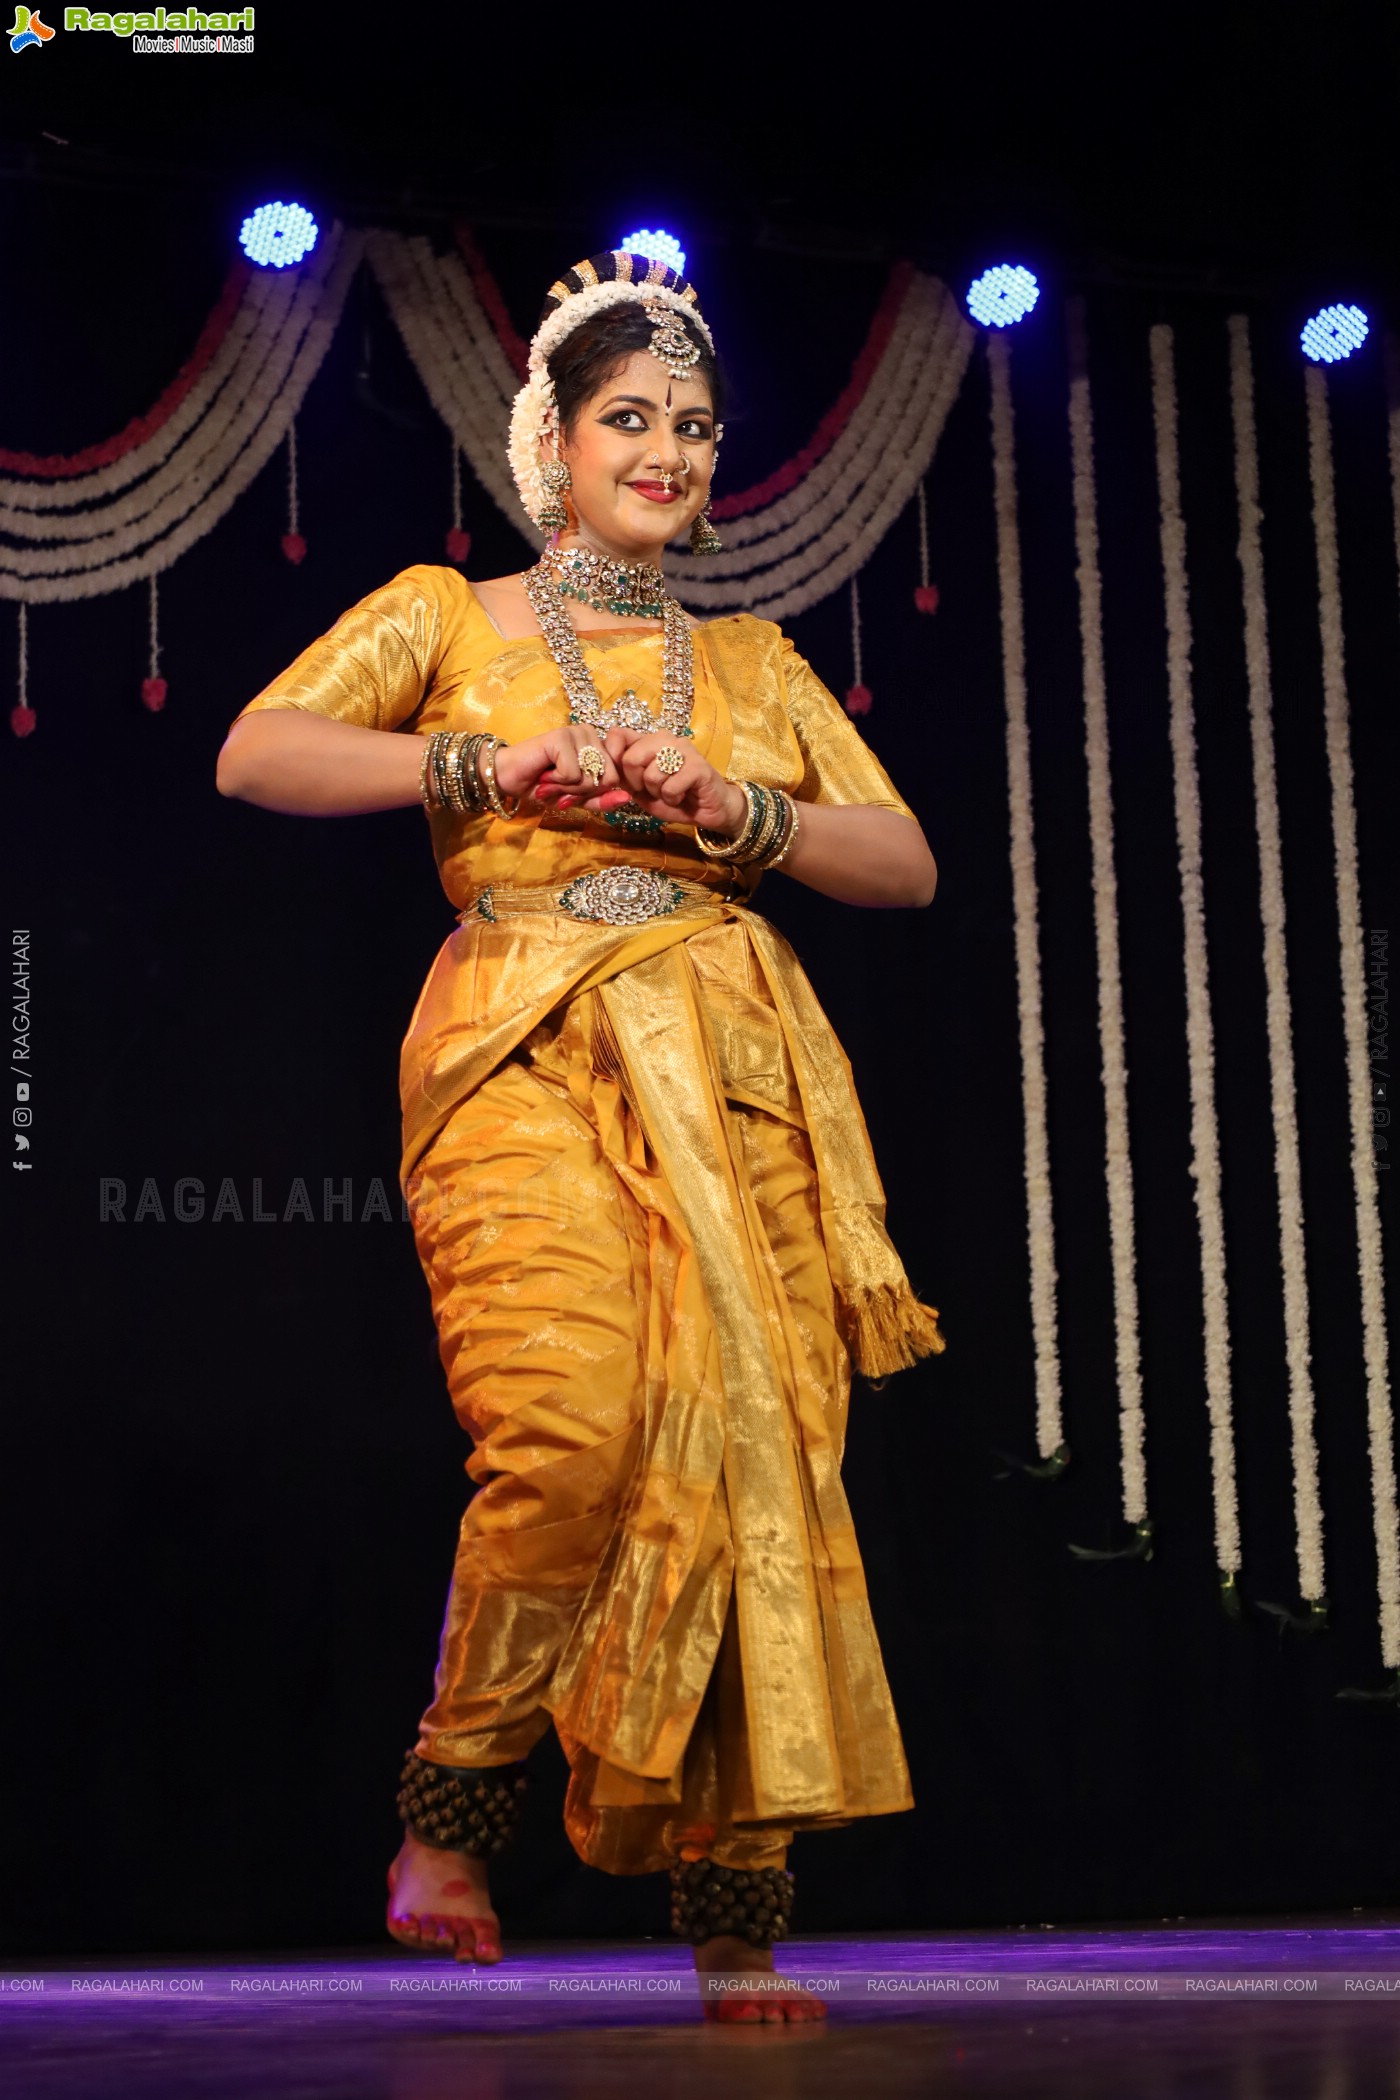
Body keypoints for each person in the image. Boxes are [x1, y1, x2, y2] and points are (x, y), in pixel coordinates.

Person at [216, 248, 946, 2025]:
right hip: (522, 1045)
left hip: (738, 1070)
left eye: (695, 425)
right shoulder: (448, 620)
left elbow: (903, 865)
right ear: (552, 438)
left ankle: (736, 1913)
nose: (670, 450)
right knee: (577, 1429)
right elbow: (260, 749)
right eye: (632, 416)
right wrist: (479, 775)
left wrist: (743, 806)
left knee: (753, 1456)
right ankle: (450, 1814)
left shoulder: (754, 659)